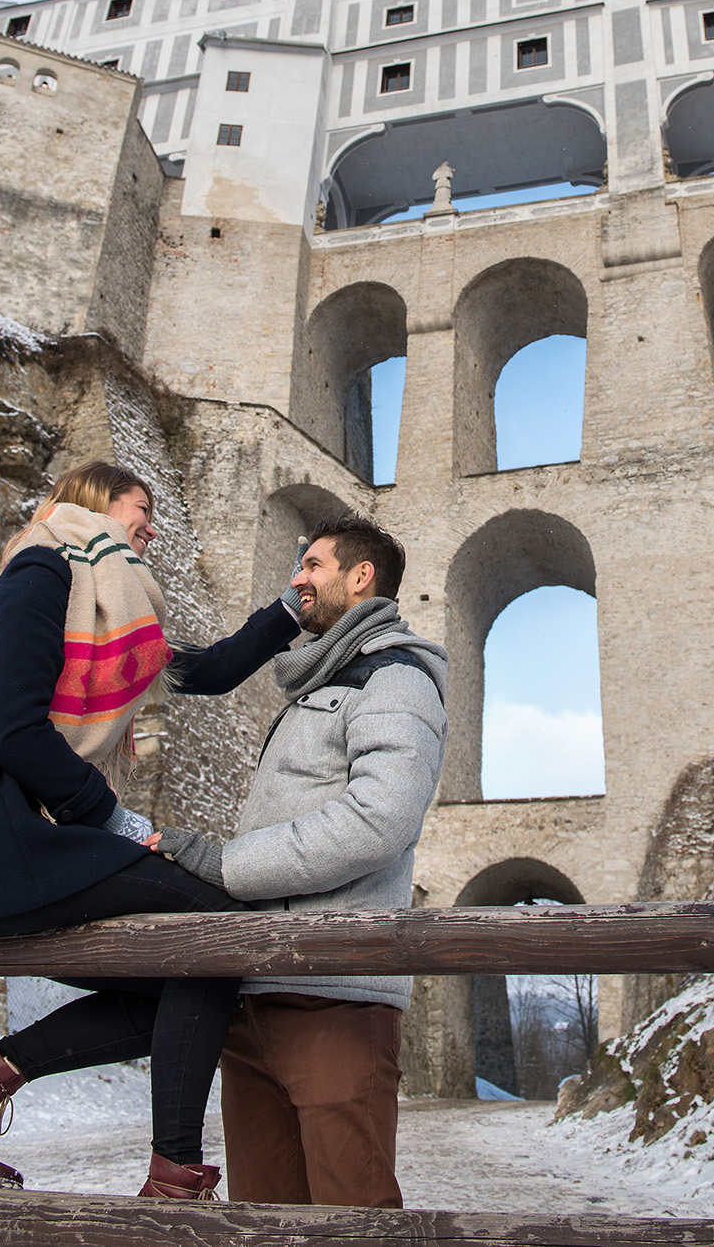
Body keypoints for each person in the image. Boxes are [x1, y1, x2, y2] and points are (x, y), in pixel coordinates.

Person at [0, 459, 303, 1201]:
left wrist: (285, 612)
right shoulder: (42, 573)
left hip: (15, 831)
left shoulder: (108, 605)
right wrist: (112, 816)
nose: (152, 527)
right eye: (141, 509)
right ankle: (172, 1175)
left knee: (189, 971)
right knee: (217, 930)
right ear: (96, 503)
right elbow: (14, 730)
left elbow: (205, 671)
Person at [153, 513, 448, 1208]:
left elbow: (379, 820)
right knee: (262, 1216)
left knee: (352, 1214)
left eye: (313, 565)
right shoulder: (320, 684)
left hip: (334, 997)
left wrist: (228, 867)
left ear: (361, 576)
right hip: (258, 990)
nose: (297, 579)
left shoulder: (396, 680)